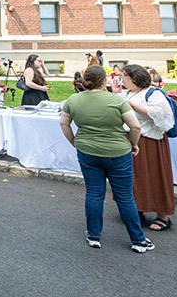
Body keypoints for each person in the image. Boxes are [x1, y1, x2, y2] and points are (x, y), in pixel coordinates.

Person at [60, 65, 154, 253]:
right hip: (117, 152)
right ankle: (138, 240)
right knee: (125, 197)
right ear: (104, 81)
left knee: (94, 193)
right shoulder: (116, 100)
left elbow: (64, 123)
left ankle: (94, 235)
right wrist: (133, 144)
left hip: (87, 150)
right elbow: (135, 127)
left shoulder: (73, 100)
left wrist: (75, 142)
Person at [121, 65, 175, 232]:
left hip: (150, 140)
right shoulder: (128, 93)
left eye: (124, 77)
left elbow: (160, 114)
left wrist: (129, 104)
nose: (122, 79)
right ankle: (139, 209)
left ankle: (163, 216)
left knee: (155, 176)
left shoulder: (154, 93)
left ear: (134, 78)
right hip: (132, 139)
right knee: (136, 178)